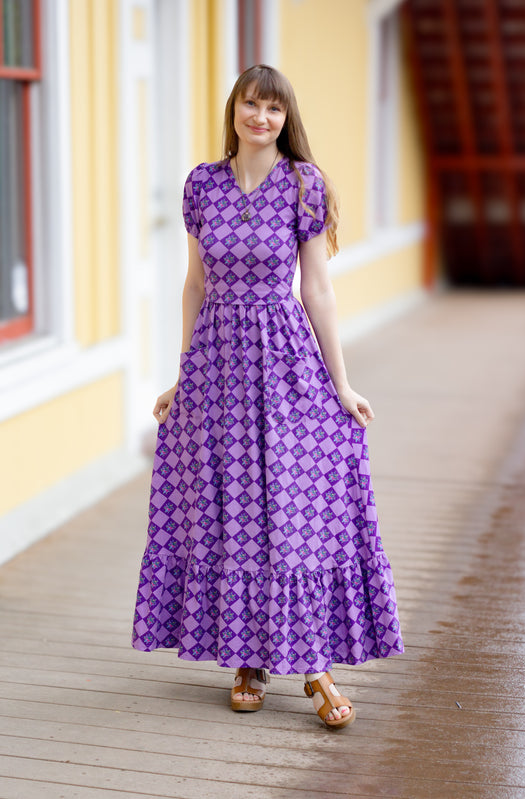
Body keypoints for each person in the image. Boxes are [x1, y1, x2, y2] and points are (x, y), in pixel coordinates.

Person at [132, 64, 404, 729]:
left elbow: (316, 290)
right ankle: (247, 659)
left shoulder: (303, 185)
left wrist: (340, 384)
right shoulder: (203, 183)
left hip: (283, 362)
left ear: (286, 118)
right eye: (251, 105)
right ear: (233, 111)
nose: (261, 118)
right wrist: (183, 369)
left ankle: (314, 665)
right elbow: (193, 283)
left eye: (273, 109)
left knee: (295, 508)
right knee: (229, 510)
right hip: (217, 365)